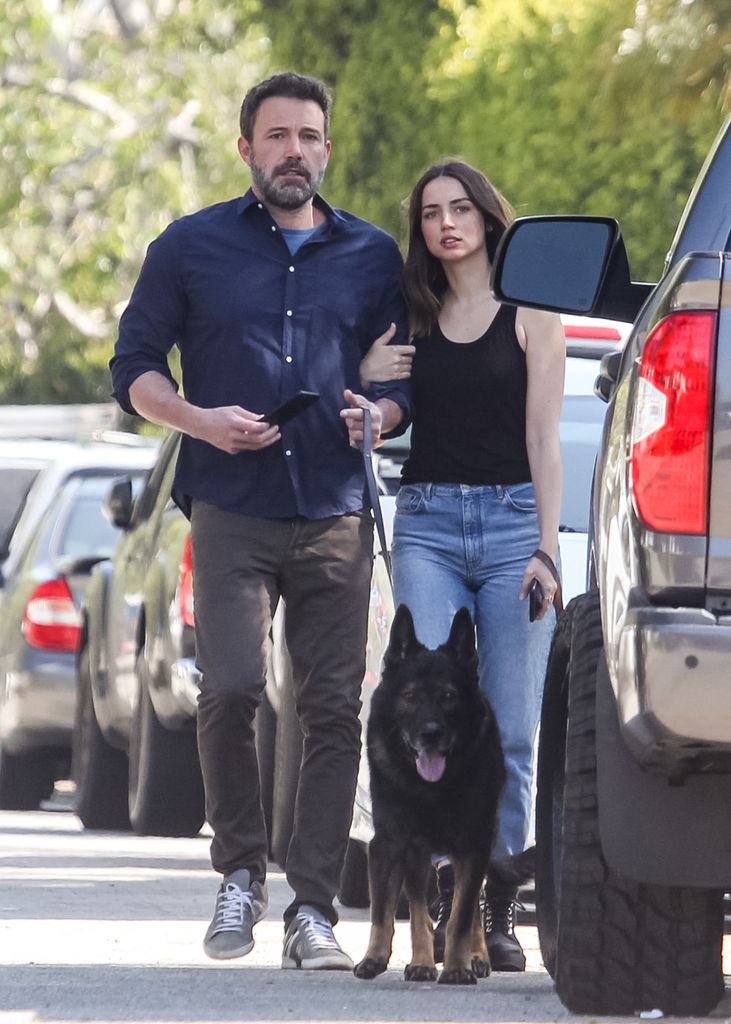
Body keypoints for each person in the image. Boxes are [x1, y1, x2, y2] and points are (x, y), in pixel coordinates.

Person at [110, 71, 410, 971]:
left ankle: (311, 908)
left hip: (333, 510)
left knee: (330, 709)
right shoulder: (188, 247)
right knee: (232, 688)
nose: (293, 151)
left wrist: (379, 418)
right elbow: (132, 368)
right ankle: (239, 874)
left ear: (327, 147)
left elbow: (398, 383)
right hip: (230, 505)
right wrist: (201, 421)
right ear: (246, 149)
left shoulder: (373, 255)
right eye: (276, 136)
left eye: (309, 136)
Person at [362, 160, 564, 972]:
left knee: (509, 732)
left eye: (460, 209)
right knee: (420, 707)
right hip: (430, 523)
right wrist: (370, 380)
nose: (446, 224)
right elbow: (374, 398)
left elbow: (544, 439)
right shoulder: (411, 312)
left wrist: (548, 548)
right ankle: (435, 904)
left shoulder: (529, 313)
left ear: (487, 216)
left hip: (515, 523)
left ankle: (494, 905)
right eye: (430, 213)